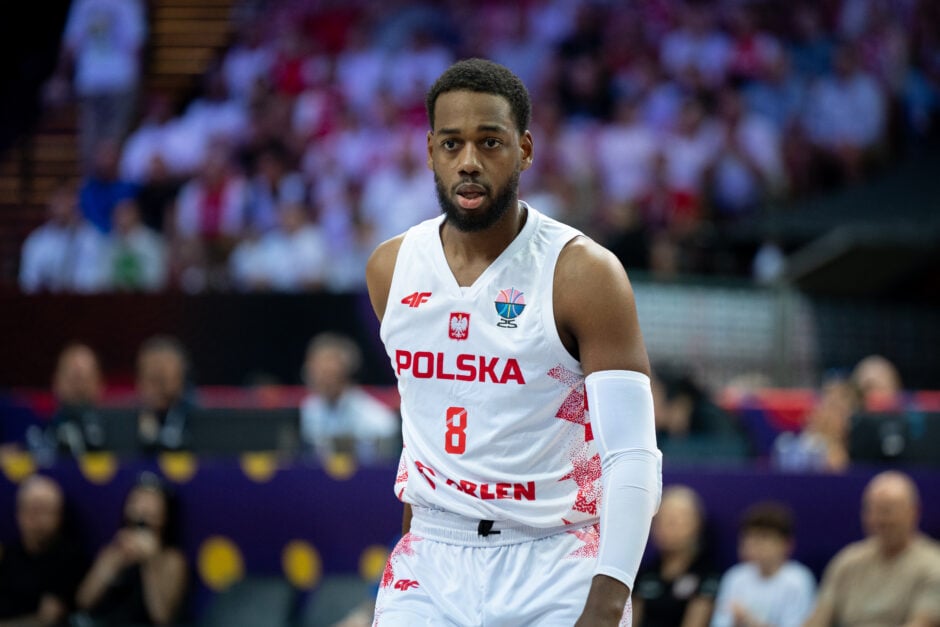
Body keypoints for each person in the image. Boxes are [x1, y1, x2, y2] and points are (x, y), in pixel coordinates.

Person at [365, 58, 662, 626]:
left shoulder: (584, 273)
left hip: (557, 558)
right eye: (451, 144)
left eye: (490, 143)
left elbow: (633, 457)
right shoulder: (391, 268)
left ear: (525, 150)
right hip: (430, 561)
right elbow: (426, 431)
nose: (469, 162)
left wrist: (607, 603)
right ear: (430, 151)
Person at [803, 470, 940, 627]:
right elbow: (818, 619)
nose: (880, 520)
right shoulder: (848, 561)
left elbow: (924, 622)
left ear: (914, 512)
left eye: (887, 511)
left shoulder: (934, 565)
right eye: (872, 510)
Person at [75, 472, 188, 626]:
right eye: (137, 501)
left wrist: (150, 563)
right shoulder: (114, 550)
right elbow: (83, 601)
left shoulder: (172, 559)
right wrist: (114, 562)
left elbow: (162, 617)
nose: (142, 508)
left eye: (151, 503)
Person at [300, 332, 400, 465]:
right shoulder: (310, 408)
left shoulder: (371, 413)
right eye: (318, 371)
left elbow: (388, 428)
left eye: (329, 372)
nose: (324, 379)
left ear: (345, 371)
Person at [710, 502, 815, 627]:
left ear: (787, 544)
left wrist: (750, 621)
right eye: (749, 538)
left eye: (764, 538)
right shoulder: (735, 576)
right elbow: (720, 622)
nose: (754, 545)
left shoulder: (798, 579)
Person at [0, 475, 87, 627]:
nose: (38, 520)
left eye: (45, 511)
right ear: (19, 514)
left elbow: (49, 618)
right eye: (32, 510)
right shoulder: (8, 554)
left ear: (59, 515)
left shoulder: (69, 558)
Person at [633, 485, 720, 627]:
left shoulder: (707, 575)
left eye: (674, 521)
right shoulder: (643, 573)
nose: (665, 528)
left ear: (696, 524)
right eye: (660, 521)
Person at [19, 181, 106, 294]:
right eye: (59, 199)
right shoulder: (36, 241)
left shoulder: (91, 237)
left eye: (68, 199)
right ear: (50, 203)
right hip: (43, 305)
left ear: (76, 203)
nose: (63, 205)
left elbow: (93, 280)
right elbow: (28, 282)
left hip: (82, 304)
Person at [27, 343, 107, 463]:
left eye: (86, 379)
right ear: (56, 382)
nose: (79, 387)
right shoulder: (36, 435)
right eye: (73, 378)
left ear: (100, 384)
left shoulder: (117, 437)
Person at [135, 336, 194, 453]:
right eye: (153, 379)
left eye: (164, 379)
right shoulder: (124, 417)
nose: (159, 388)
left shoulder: (199, 416)